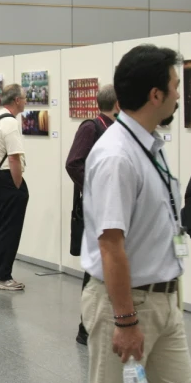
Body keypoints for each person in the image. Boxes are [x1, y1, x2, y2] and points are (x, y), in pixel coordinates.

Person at [79, 44, 191, 383]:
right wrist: (126, 321)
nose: (180, 94)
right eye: (176, 86)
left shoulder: (147, 145)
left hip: (164, 301)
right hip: (129, 305)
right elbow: (111, 245)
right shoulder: (117, 156)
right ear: (156, 95)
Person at [65, 84, 119, 344]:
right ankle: (86, 327)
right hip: (97, 209)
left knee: (105, 266)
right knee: (96, 268)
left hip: (112, 210)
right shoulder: (91, 128)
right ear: (117, 104)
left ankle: (99, 323)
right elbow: (73, 163)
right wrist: (98, 189)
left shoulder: (114, 130)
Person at [0, 84, 28, 290]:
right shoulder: (10, 123)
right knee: (9, 230)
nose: (26, 101)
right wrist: (18, 185)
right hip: (8, 180)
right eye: (24, 98)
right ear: (16, 100)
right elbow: (13, 158)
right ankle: (1, 276)